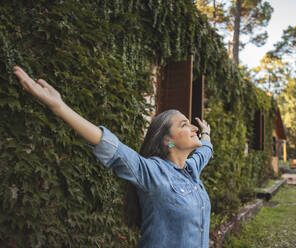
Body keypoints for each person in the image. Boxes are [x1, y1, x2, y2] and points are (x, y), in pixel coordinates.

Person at [13, 65, 213, 248]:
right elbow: (110, 146)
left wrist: (205, 134)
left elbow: (206, 150)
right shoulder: (152, 172)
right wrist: (60, 107)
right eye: (184, 124)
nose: (193, 127)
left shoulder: (191, 168)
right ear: (167, 141)